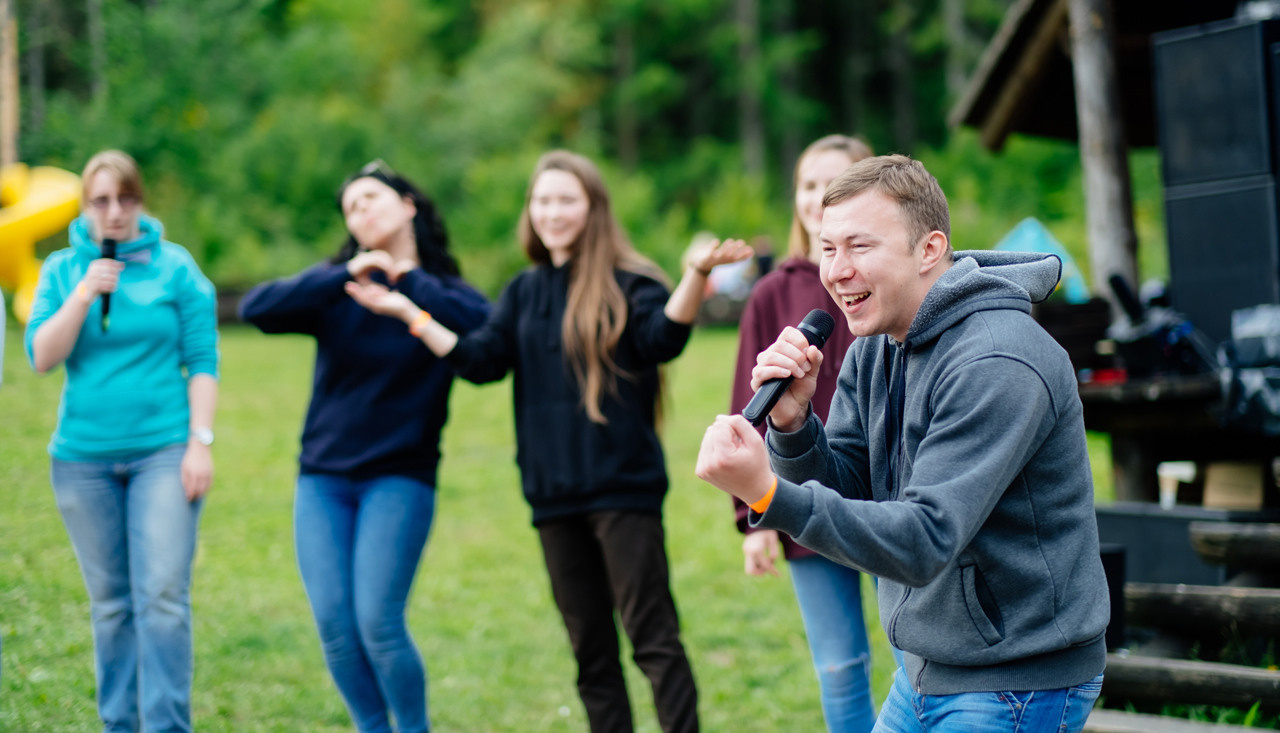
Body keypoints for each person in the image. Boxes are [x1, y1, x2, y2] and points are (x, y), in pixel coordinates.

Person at [697, 154, 1109, 732]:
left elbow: (923, 539)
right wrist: (792, 429)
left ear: (929, 250)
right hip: (924, 670)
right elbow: (850, 489)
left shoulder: (999, 359)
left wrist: (766, 492)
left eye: (860, 247)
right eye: (828, 247)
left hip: (1015, 679)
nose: (837, 271)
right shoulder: (877, 343)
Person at [346, 149, 753, 733]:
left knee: (652, 641)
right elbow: (479, 359)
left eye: (566, 199)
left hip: (623, 491)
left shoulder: (628, 282)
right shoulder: (522, 292)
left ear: (592, 208)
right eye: (543, 200)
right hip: (553, 496)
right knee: (591, 654)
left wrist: (695, 275)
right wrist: (405, 309)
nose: (552, 211)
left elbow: (661, 338)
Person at [238, 159, 488, 733]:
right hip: (323, 478)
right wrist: (345, 274)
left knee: (378, 621)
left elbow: (485, 330)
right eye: (350, 207)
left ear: (408, 205)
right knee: (335, 625)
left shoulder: (442, 293)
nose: (360, 211)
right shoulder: (339, 289)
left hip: (399, 477)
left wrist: (406, 284)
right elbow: (256, 308)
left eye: (370, 198)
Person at [26, 149, 219, 733]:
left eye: (126, 199)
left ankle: (165, 726)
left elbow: (202, 360)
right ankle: (120, 724)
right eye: (102, 201)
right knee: (111, 607)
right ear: (85, 206)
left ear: (141, 202)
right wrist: (84, 292)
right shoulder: (63, 270)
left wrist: (199, 442)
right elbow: (41, 357)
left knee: (160, 598)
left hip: (163, 450)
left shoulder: (175, 268)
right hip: (83, 459)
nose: (115, 213)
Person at [728, 135, 877, 732]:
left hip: (891, 490)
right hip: (807, 496)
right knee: (840, 667)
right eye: (810, 184)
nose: (819, 197)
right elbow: (751, 404)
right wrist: (753, 516)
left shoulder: (888, 281)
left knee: (920, 656)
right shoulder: (772, 293)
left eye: (837, 183)